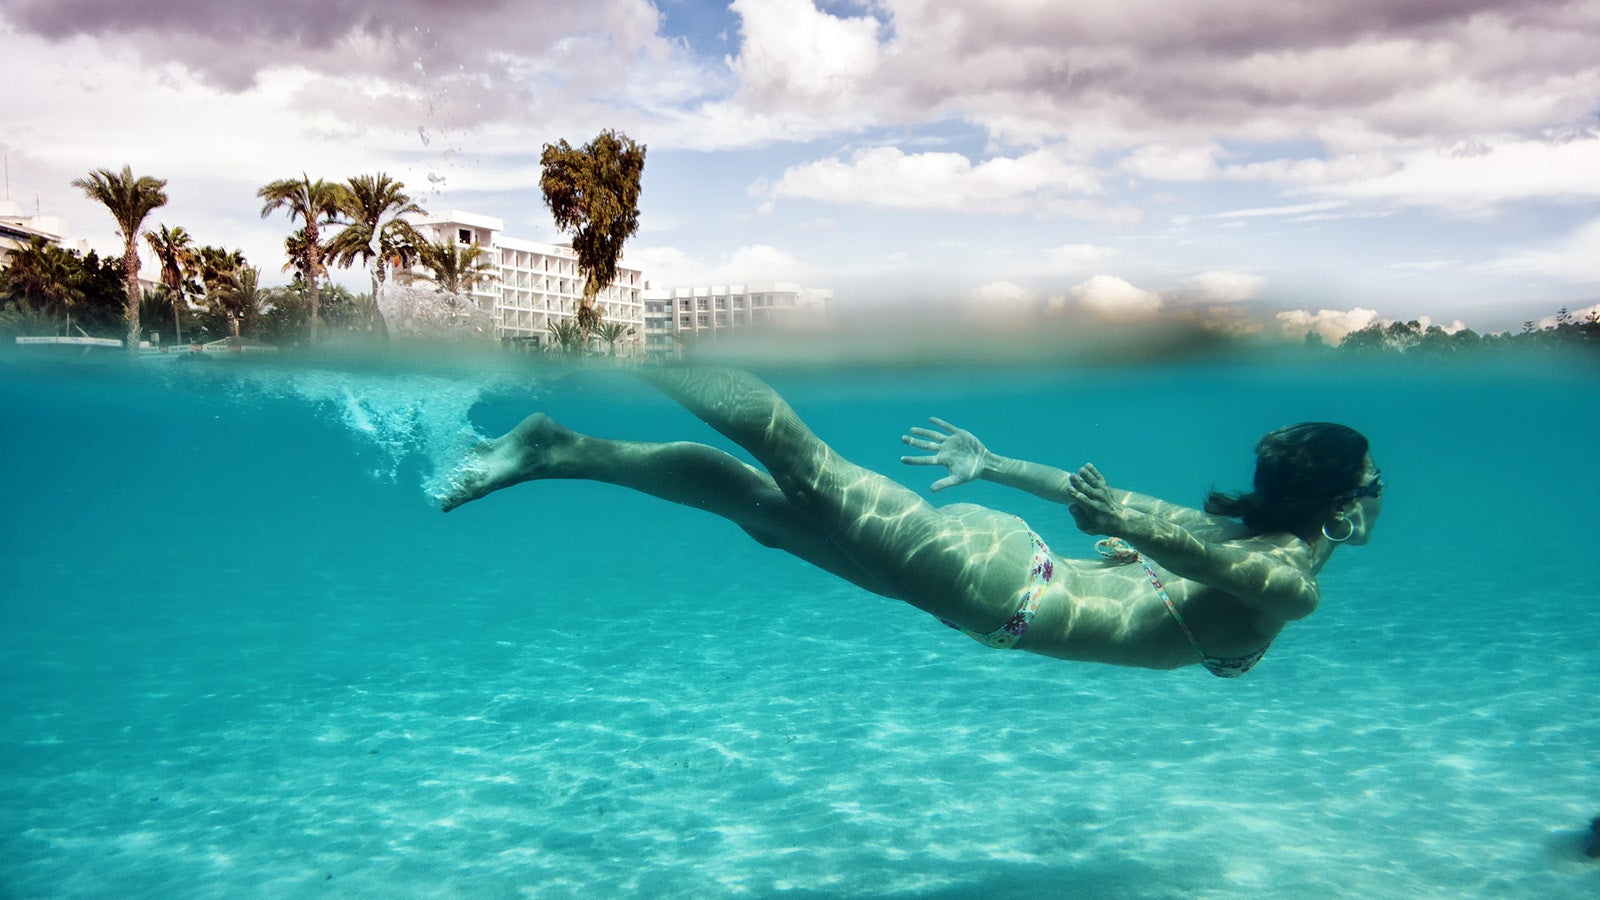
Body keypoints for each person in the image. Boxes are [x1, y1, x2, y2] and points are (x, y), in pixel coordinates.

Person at [439, 367, 1382, 677]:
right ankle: (628, 341)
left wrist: (998, 468)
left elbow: (1117, 508)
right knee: (803, 463)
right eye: (1370, 485)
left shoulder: (1250, 543)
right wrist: (1134, 538)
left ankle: (554, 448)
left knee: (762, 511)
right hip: (995, 589)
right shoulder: (1284, 582)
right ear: (1336, 499)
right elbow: (1216, 566)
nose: (1379, 499)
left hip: (1005, 570)